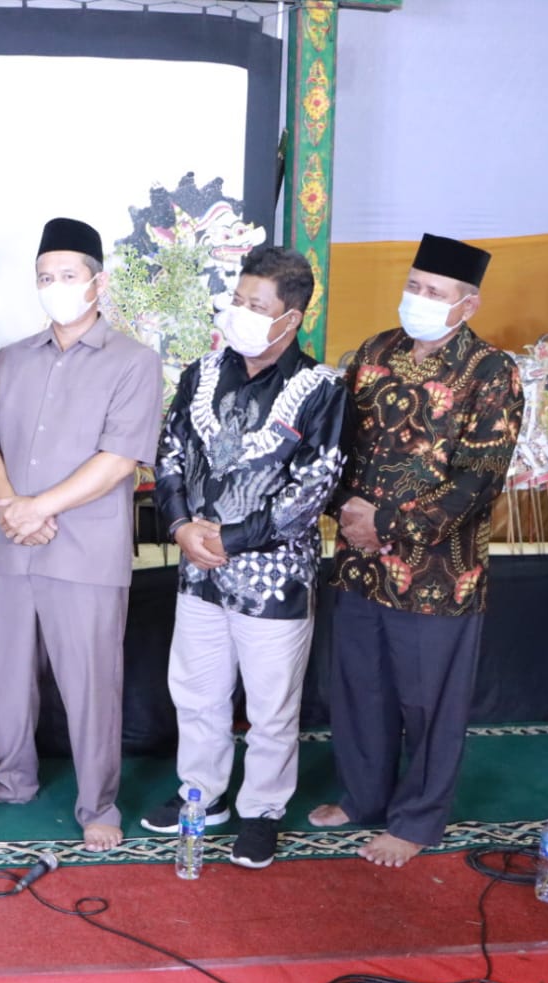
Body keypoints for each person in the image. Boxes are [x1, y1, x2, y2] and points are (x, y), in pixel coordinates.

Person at [309, 234, 523, 868]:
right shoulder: (375, 352)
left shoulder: (491, 371)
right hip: (357, 560)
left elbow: (478, 480)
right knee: (359, 688)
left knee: (429, 701)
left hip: (438, 574)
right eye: (414, 286)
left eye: (434, 292)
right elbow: (337, 443)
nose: (419, 298)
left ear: (467, 305)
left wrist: (388, 524)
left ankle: (418, 819)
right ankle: (363, 796)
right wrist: (346, 510)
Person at [141, 246, 346, 870]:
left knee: (270, 707)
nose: (240, 313)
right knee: (196, 693)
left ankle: (262, 810)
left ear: (291, 318)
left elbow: (312, 488)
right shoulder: (202, 373)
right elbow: (170, 453)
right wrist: (180, 526)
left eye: (256, 305)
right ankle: (201, 794)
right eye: (237, 300)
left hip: (273, 578)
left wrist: (230, 539)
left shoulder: (321, 389)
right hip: (197, 568)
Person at [0, 218, 162, 852]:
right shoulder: (11, 359)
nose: (55, 286)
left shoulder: (134, 361)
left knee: (91, 684)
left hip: (86, 551)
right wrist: (10, 506)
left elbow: (120, 459)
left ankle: (98, 803)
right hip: (14, 543)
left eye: (68, 275)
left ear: (98, 283)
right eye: (45, 277)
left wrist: (37, 508)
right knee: (6, 676)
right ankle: (10, 779)